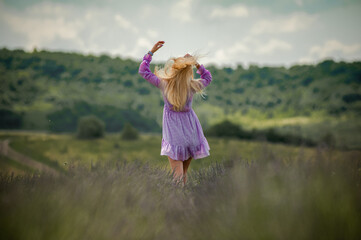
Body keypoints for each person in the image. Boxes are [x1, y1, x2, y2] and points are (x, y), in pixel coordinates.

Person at [138, 40, 212, 186]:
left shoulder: (165, 84)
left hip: (174, 136)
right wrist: (196, 63)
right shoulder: (192, 85)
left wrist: (151, 52)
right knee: (183, 176)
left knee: (177, 180)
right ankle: (186, 204)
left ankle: (177, 205)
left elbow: (143, 71)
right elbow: (208, 78)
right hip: (191, 133)